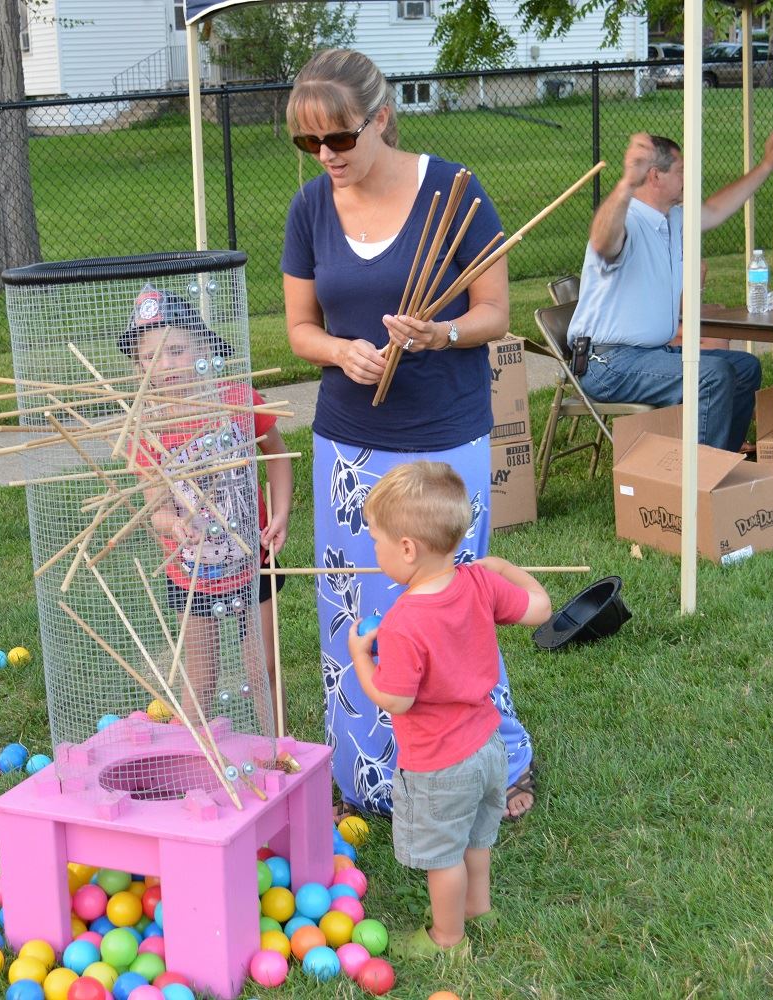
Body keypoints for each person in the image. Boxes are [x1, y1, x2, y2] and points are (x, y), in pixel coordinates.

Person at [280, 48, 536, 820]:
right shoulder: (311, 209)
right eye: (307, 145)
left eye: (340, 139)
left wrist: (439, 335)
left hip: (442, 434)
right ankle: (372, 774)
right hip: (348, 443)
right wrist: (337, 350)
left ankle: (495, 763)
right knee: (356, 609)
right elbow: (298, 328)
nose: (326, 158)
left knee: (450, 607)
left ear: (381, 118)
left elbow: (495, 315)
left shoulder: (455, 195)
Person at [344, 462, 551, 960]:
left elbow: (396, 699)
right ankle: (482, 910)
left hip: (438, 765)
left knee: (445, 858)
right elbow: (540, 607)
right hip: (487, 746)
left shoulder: (402, 624)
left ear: (408, 548)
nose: (375, 551)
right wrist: (503, 567)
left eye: (378, 541)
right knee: (478, 840)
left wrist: (358, 658)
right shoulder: (478, 584)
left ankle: (448, 937)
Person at [120, 285, 293, 733]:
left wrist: (280, 512)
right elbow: (155, 509)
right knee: (199, 675)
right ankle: (196, 760)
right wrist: (174, 525)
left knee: (264, 669)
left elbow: (276, 454)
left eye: (176, 349)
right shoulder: (148, 427)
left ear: (202, 347)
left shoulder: (235, 399)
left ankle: (280, 752)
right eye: (150, 357)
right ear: (139, 367)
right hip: (190, 571)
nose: (165, 364)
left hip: (254, 559)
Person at [567, 131, 773, 452]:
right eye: (681, 171)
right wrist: (626, 184)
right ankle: (695, 483)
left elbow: (715, 208)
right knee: (712, 376)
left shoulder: (672, 218)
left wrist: (768, 164)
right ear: (655, 176)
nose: (689, 178)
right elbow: (603, 242)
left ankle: (720, 463)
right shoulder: (627, 219)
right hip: (608, 363)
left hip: (650, 354)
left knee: (745, 368)